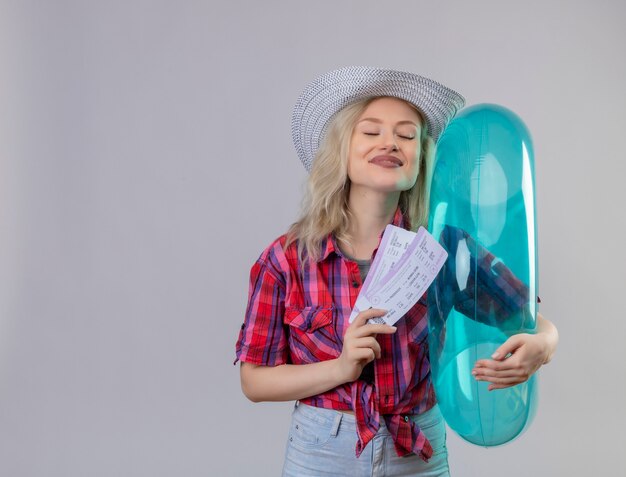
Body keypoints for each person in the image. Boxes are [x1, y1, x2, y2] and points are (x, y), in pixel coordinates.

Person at [234, 66, 558, 476]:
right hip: (322, 452)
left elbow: (527, 318)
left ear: (422, 159)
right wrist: (341, 367)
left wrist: (546, 343)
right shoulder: (286, 259)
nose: (390, 142)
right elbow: (254, 381)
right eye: (371, 132)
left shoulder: (443, 249)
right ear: (342, 151)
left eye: (407, 135)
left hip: (417, 451)